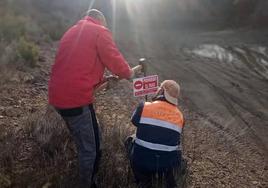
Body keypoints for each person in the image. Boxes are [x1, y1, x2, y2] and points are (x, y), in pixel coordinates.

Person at [48, 9, 139, 188]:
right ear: (100, 20)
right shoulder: (99, 31)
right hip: (75, 100)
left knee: (88, 139)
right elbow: (117, 63)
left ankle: (85, 174)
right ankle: (88, 184)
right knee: (91, 149)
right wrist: (129, 73)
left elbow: (77, 70)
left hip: (58, 97)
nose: (106, 28)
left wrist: (105, 80)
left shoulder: (72, 31)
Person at [125, 80, 186, 188]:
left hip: (142, 162)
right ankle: (165, 180)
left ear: (162, 91)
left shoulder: (144, 106)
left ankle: (142, 180)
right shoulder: (180, 116)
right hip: (166, 166)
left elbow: (134, 121)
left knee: (130, 139)